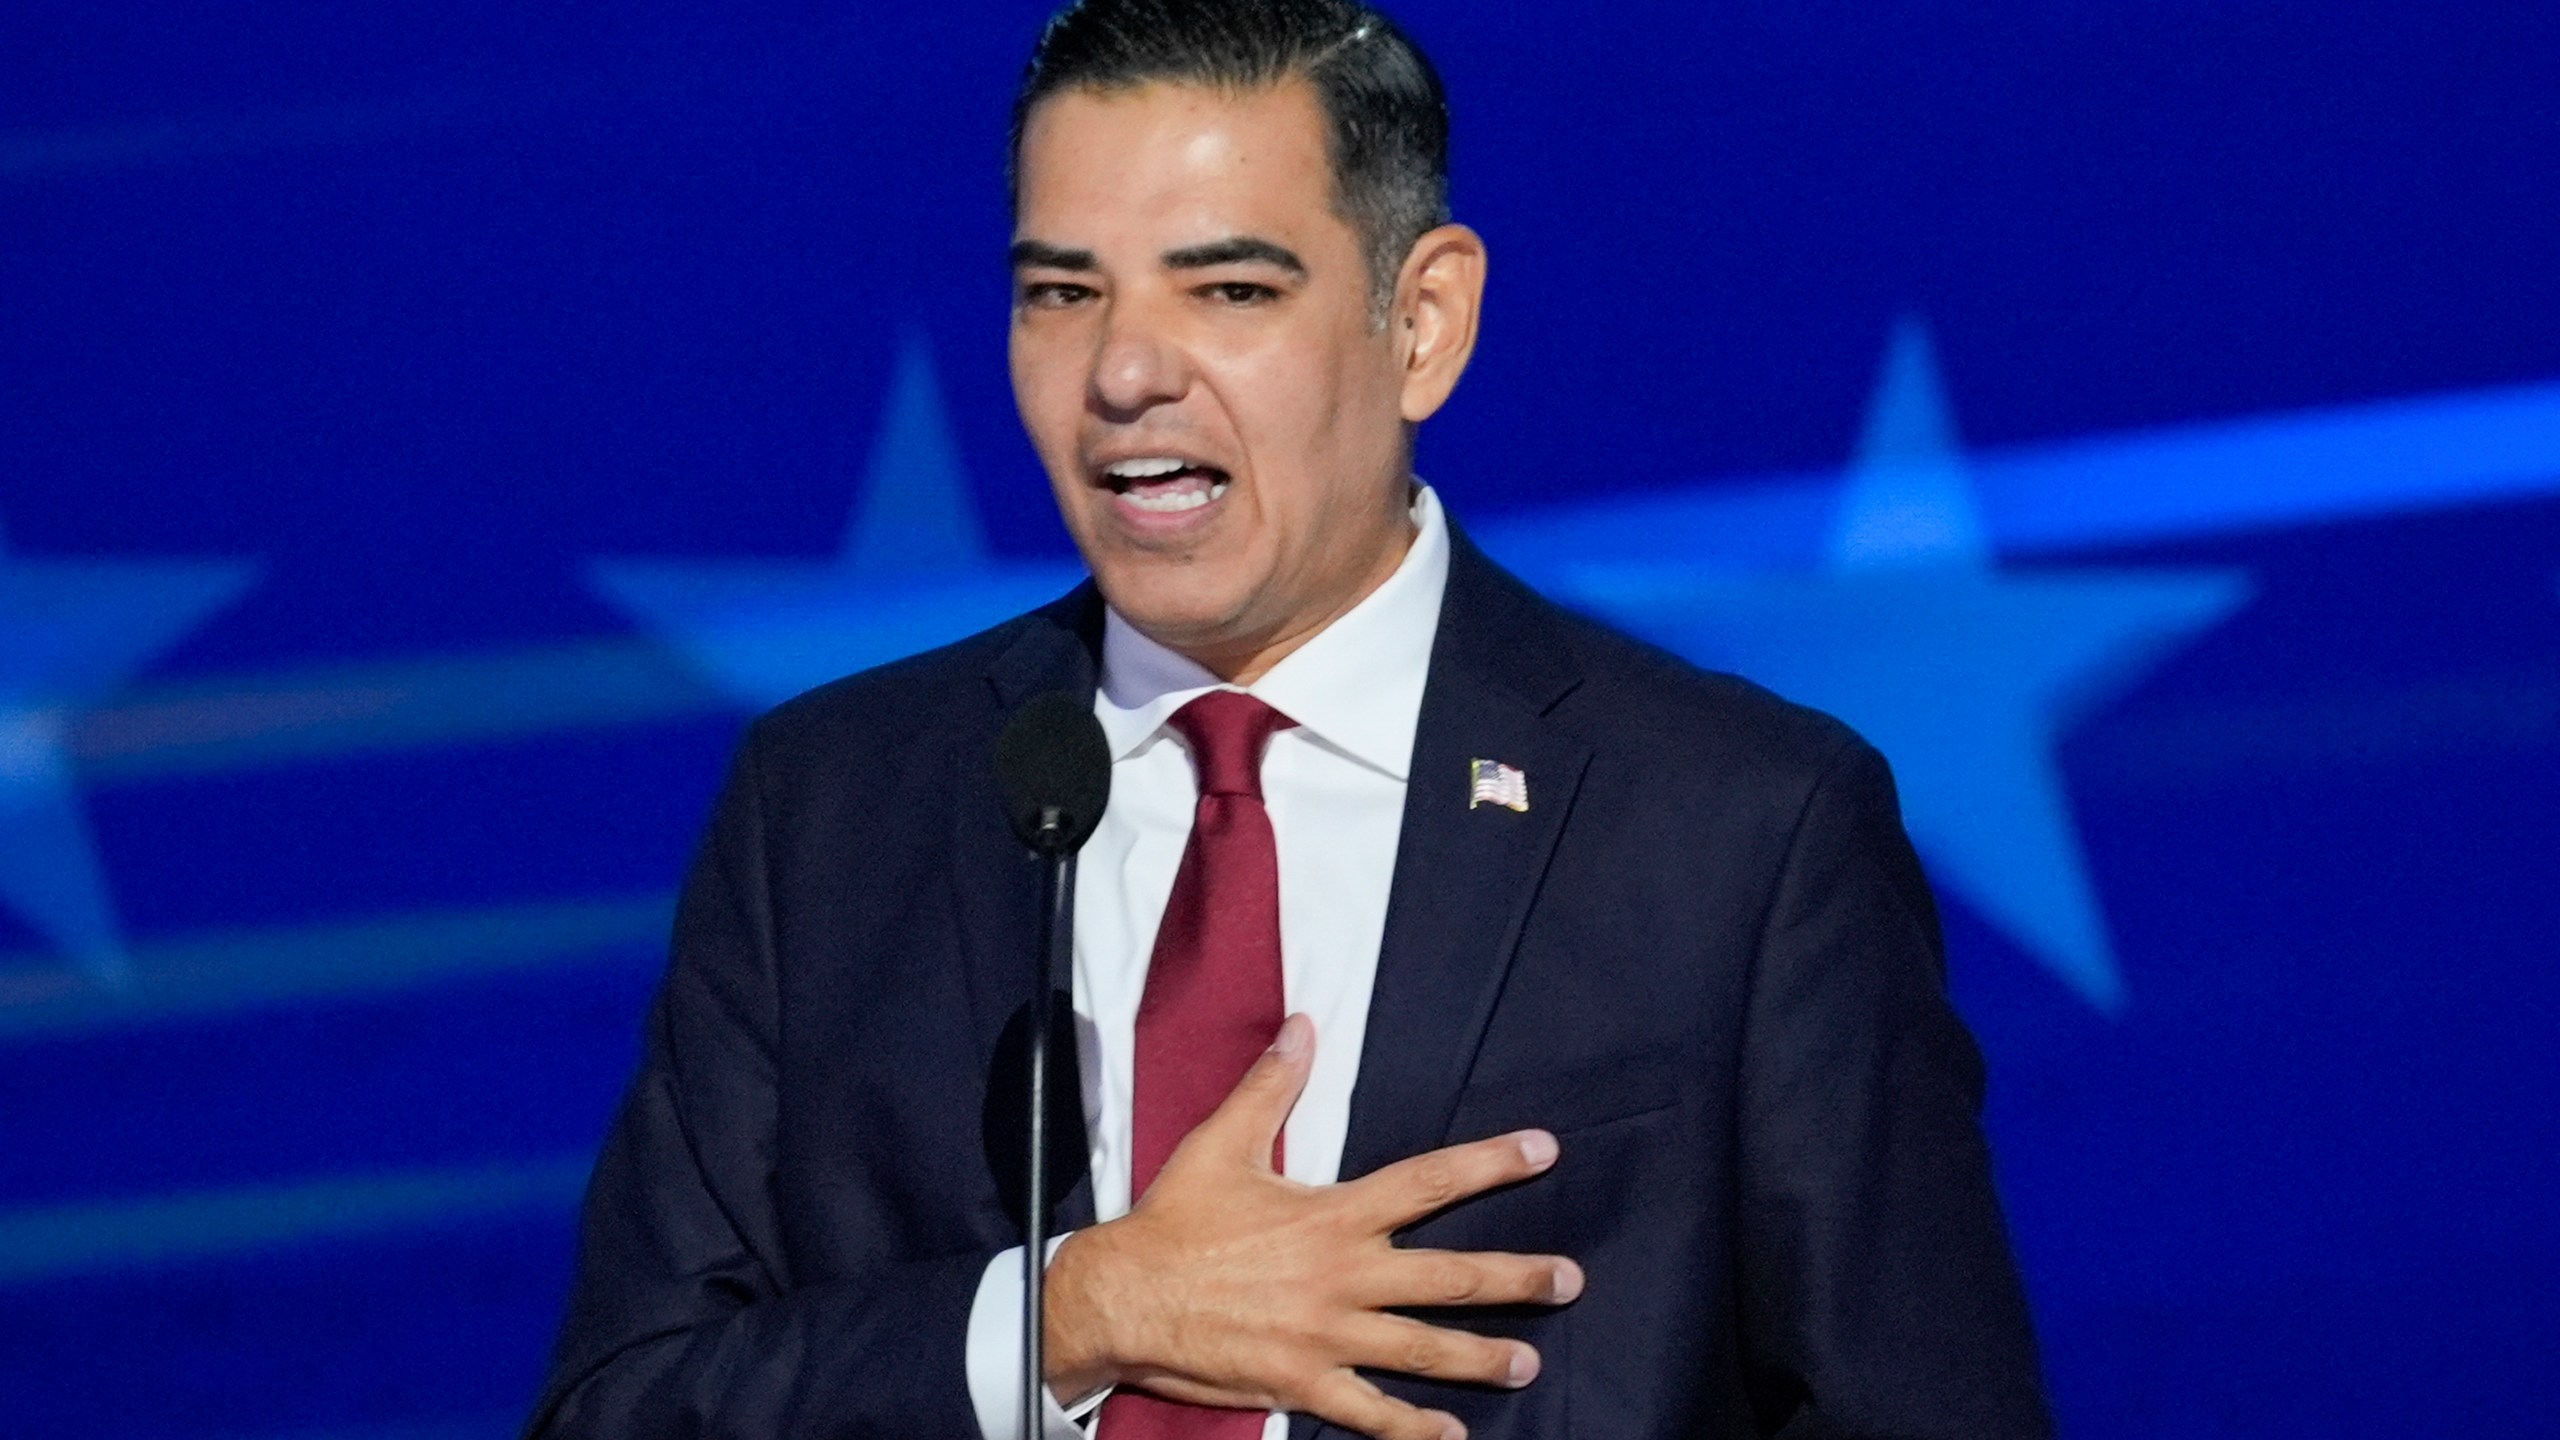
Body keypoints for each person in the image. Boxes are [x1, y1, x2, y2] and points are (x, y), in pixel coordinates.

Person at [523, 1, 2051, 1437]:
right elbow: (622, 1406)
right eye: (1062, 292)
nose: (1122, 373)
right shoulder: (835, 808)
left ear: (1423, 322)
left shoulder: (1737, 832)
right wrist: (1070, 1314)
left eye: (1230, 289)